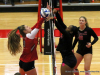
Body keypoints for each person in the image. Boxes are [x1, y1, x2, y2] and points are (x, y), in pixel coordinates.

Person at [50, 9, 78, 75]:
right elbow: (61, 23)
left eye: (68, 28)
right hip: (68, 59)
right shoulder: (68, 33)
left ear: (71, 32)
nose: (67, 27)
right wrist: (56, 13)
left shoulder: (68, 35)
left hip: (68, 61)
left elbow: (60, 28)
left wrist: (53, 20)